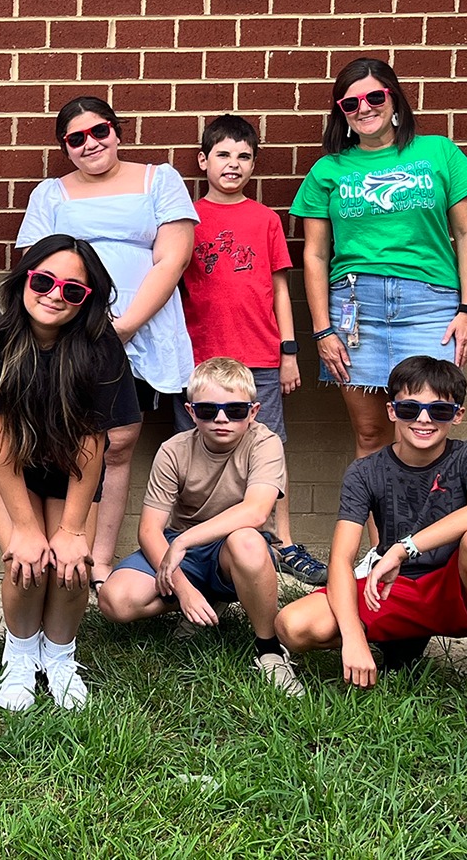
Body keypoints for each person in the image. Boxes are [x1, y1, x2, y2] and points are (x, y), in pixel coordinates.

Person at [275, 357, 467, 749]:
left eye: (440, 410)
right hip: (393, 590)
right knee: (293, 625)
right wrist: (353, 638)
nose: (424, 419)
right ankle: (400, 643)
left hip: (454, 588)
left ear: (458, 415)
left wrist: (403, 548)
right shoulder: (366, 471)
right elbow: (342, 559)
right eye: (410, 408)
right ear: (391, 411)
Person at [17, 96, 195, 575]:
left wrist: (126, 325)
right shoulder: (50, 193)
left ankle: (98, 559)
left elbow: (174, 258)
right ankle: (62, 547)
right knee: (69, 439)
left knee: (117, 443)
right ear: (65, 147)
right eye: (76, 138)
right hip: (71, 328)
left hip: (141, 328)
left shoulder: (160, 180)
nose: (90, 144)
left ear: (117, 131)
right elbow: (35, 265)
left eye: (99, 131)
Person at [0, 235, 136, 711]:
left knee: (72, 565)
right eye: (44, 281)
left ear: (86, 300)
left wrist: (73, 530)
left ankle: (60, 655)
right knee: (27, 561)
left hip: (71, 465)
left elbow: (92, 442)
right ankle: (21, 653)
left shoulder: (99, 345)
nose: (55, 295)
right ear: (25, 279)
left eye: (72, 290)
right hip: (7, 465)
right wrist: (24, 527)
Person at [292, 57, 467, 462]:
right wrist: (323, 330)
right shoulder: (328, 170)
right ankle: (376, 509)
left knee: (425, 430)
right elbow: (315, 253)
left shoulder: (438, 152)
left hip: (429, 308)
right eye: (351, 103)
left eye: (375, 97)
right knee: (369, 433)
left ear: (394, 98)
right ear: (342, 113)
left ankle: (425, 509)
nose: (364, 108)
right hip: (355, 312)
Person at [178, 114, 327, 587]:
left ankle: (281, 541)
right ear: (202, 160)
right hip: (199, 359)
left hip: (260, 356)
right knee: (196, 451)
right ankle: (198, 543)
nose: (233, 164)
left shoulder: (265, 219)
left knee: (270, 446)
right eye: (222, 154)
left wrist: (289, 351)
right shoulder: (186, 219)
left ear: (254, 165)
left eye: (244, 156)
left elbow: (279, 289)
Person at [99, 358, 302, 696]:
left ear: (253, 412)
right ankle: (204, 597)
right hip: (186, 549)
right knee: (115, 600)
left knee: (247, 541)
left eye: (235, 411)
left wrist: (183, 542)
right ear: (191, 412)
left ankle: (269, 649)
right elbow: (149, 530)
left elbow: (255, 511)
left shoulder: (265, 443)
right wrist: (184, 589)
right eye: (208, 410)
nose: (221, 419)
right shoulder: (173, 450)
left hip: (233, 549)